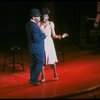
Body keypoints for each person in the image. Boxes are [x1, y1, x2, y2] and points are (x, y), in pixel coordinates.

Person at [38, 8, 68, 82]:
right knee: (42, 60)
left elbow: (54, 35)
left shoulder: (51, 23)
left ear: (48, 16)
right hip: (41, 42)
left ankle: (55, 74)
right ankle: (43, 76)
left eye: (46, 16)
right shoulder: (38, 23)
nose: (45, 17)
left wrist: (61, 36)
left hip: (49, 42)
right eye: (43, 15)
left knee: (52, 58)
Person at [25, 8, 46, 86]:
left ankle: (33, 79)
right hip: (37, 48)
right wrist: (43, 35)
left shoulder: (28, 24)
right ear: (34, 17)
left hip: (31, 47)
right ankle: (33, 79)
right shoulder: (34, 26)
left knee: (33, 64)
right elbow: (36, 39)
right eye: (38, 16)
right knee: (40, 62)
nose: (40, 18)